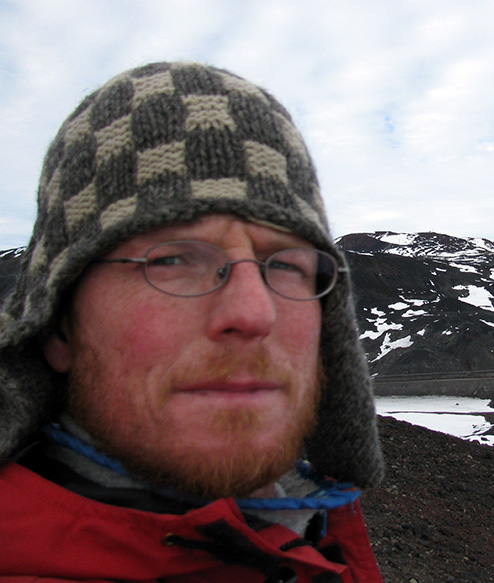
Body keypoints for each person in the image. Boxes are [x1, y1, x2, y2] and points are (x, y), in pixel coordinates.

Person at [0, 61, 384, 582]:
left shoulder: (321, 539)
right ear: (59, 325)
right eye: (172, 259)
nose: (253, 313)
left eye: (287, 265)